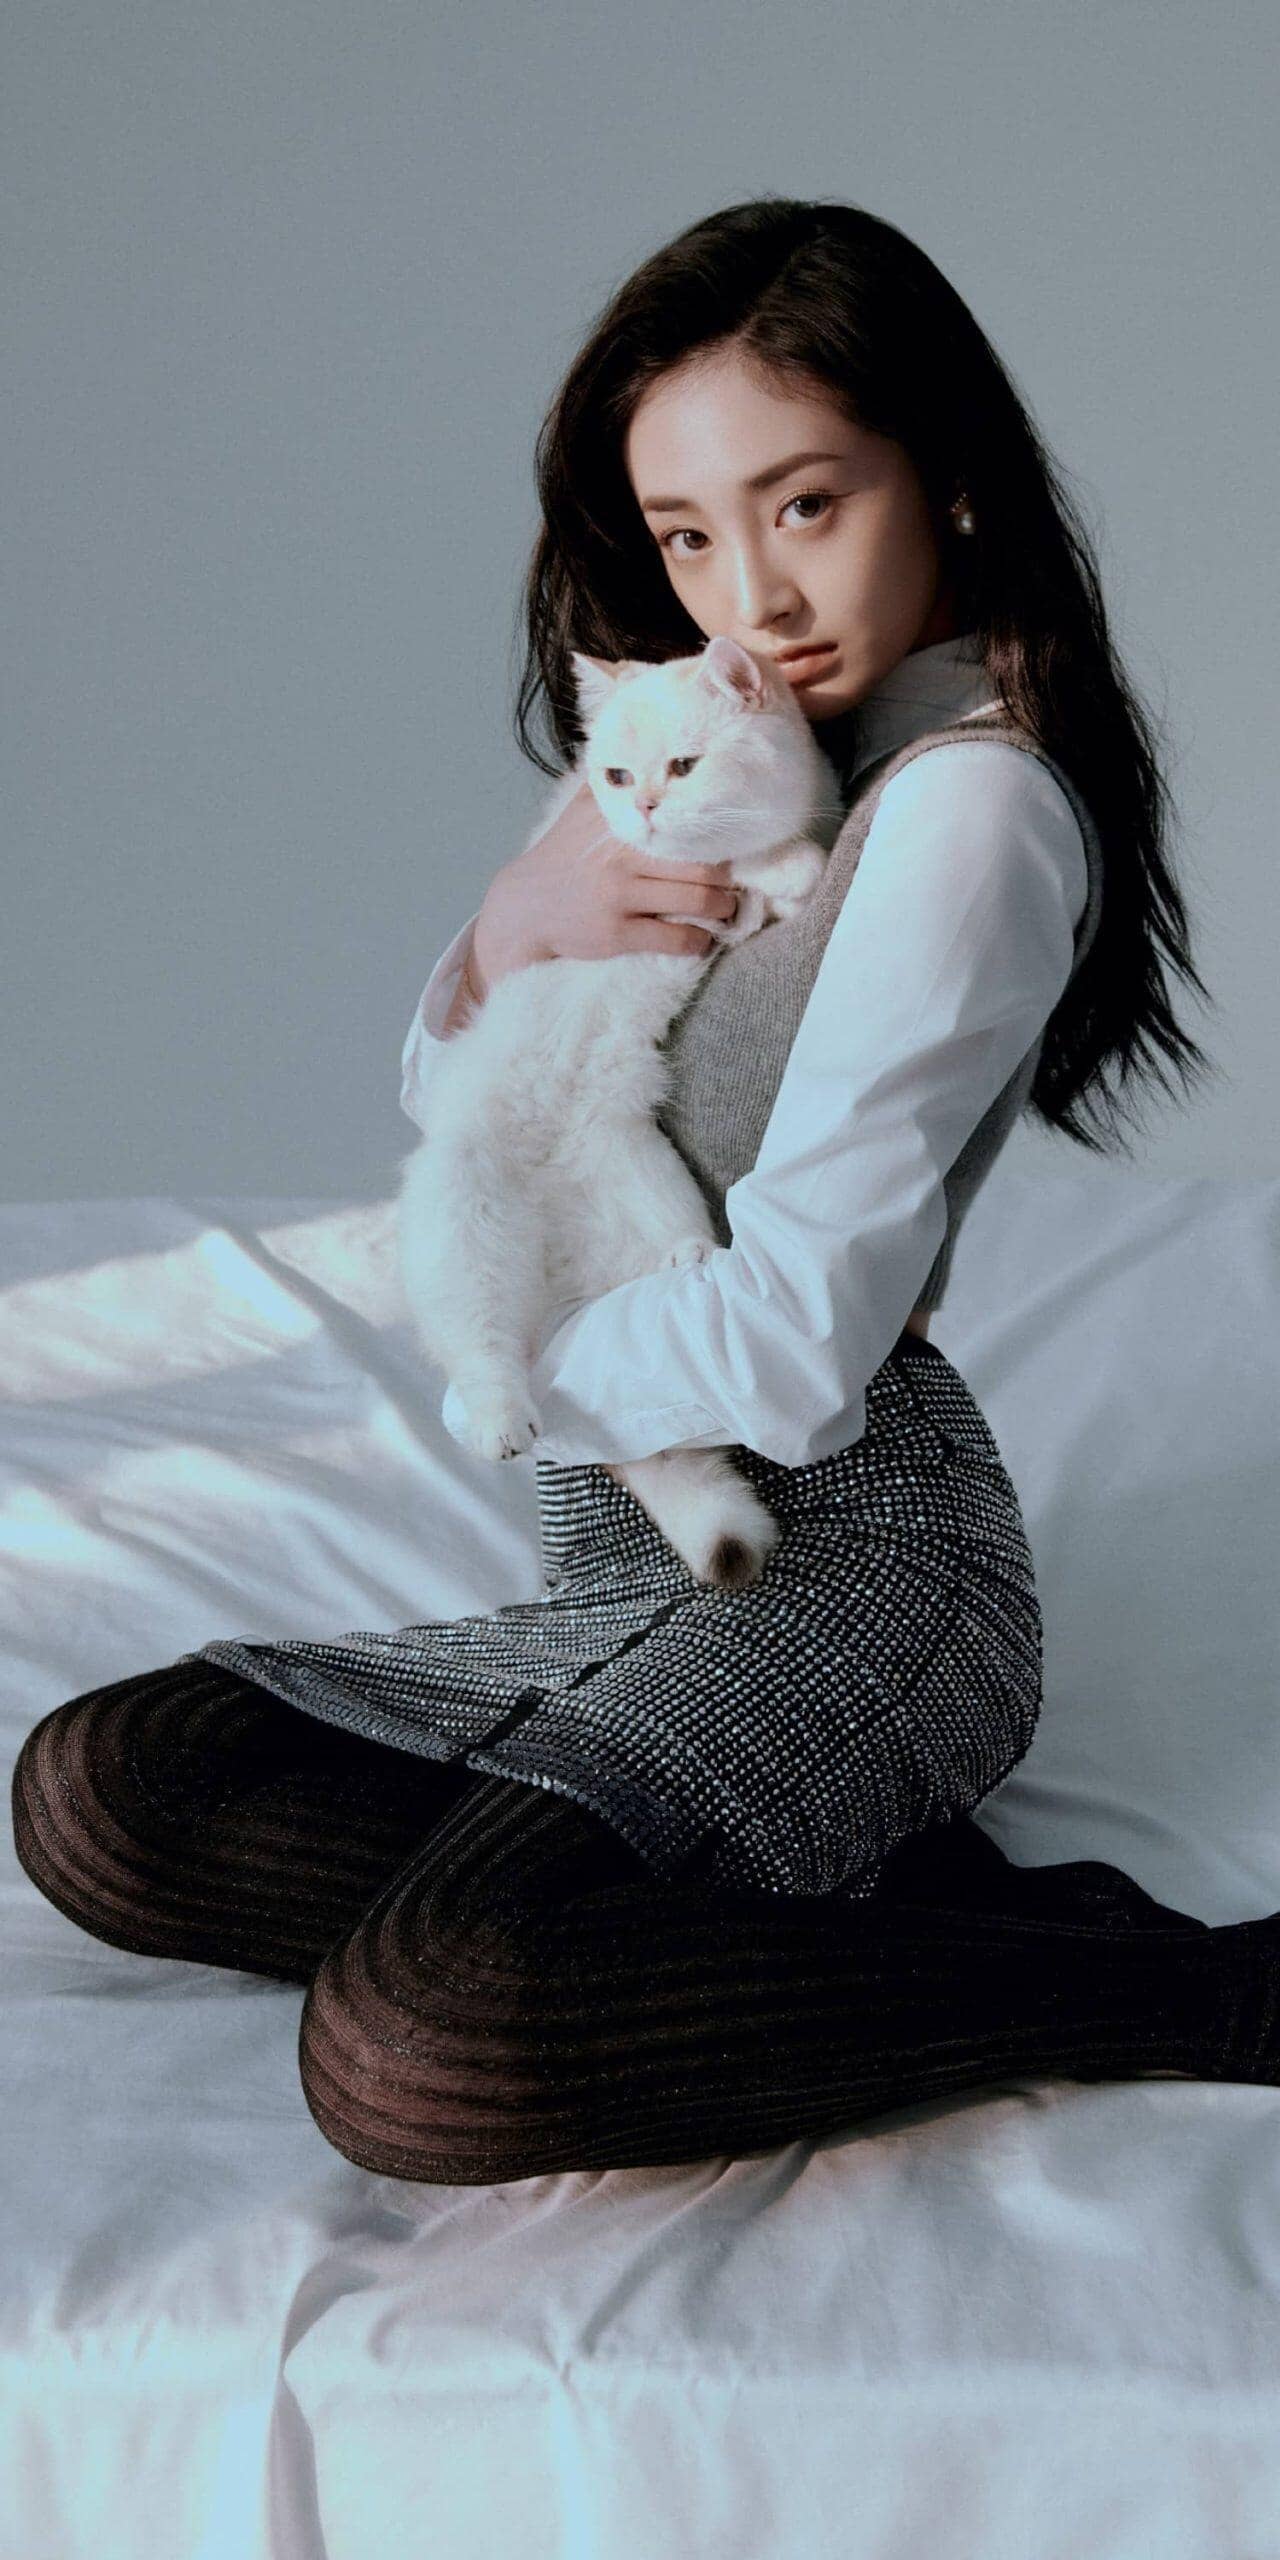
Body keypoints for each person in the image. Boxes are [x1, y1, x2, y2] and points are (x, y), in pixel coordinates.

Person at [14, 198, 1280, 2190]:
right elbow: (484, 1105)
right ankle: (807, 1897)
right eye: (690, 535)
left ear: (948, 480)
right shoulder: (736, 754)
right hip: (631, 1563)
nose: (750, 594)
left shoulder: (962, 807)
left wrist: (491, 1343)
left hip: (844, 1558)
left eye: (806, 503)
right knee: (108, 1790)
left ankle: (1177, 1986)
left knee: (422, 2043)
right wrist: (514, 929)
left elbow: (792, 1347)